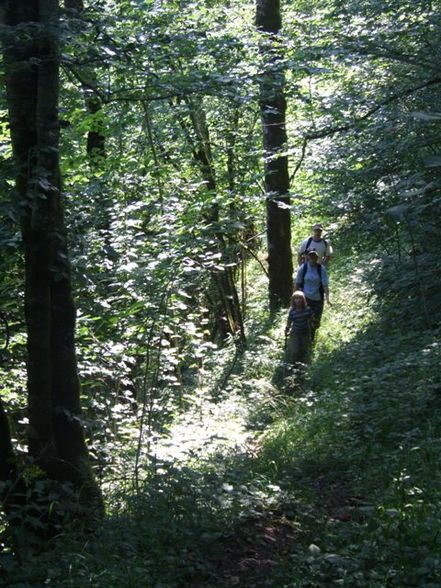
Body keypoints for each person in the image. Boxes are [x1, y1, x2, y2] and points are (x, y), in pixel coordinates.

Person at [295, 249, 331, 339]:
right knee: (303, 318)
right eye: (310, 256)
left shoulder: (321, 269)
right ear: (307, 257)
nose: (312, 258)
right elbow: (297, 284)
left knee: (315, 321)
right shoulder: (303, 268)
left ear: (317, 257)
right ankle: (302, 339)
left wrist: (327, 298)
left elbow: (325, 285)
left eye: (314, 256)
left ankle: (311, 339)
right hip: (305, 298)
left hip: (317, 299)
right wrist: (294, 298)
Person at [284, 291, 315, 365]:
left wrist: (314, 323)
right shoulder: (292, 311)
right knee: (295, 351)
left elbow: (312, 318)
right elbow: (289, 321)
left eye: (300, 298)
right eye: (296, 298)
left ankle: (303, 366)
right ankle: (294, 365)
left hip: (305, 332)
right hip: (295, 332)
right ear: (293, 300)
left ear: (303, 300)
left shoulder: (308, 309)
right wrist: (287, 329)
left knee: (305, 350)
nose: (298, 300)